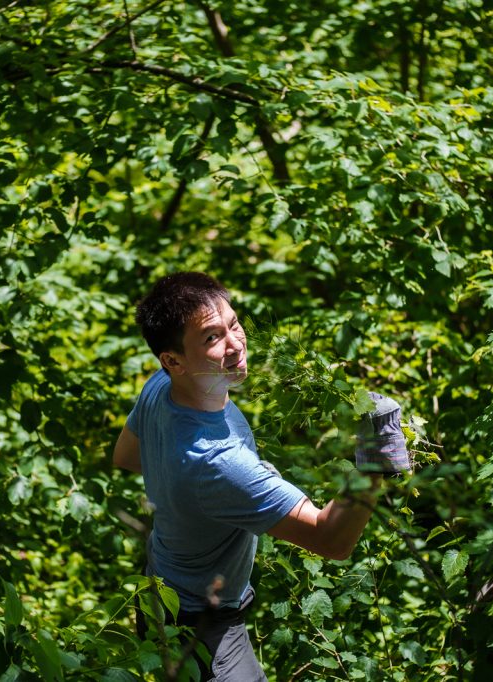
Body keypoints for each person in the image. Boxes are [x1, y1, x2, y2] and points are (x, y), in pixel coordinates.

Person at [113, 272, 409, 681]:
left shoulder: (160, 387)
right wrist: (374, 462)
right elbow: (332, 539)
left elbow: (126, 455)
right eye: (212, 338)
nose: (235, 344)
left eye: (234, 324)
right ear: (174, 360)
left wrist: (194, 492)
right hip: (203, 630)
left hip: (158, 592)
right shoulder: (220, 463)